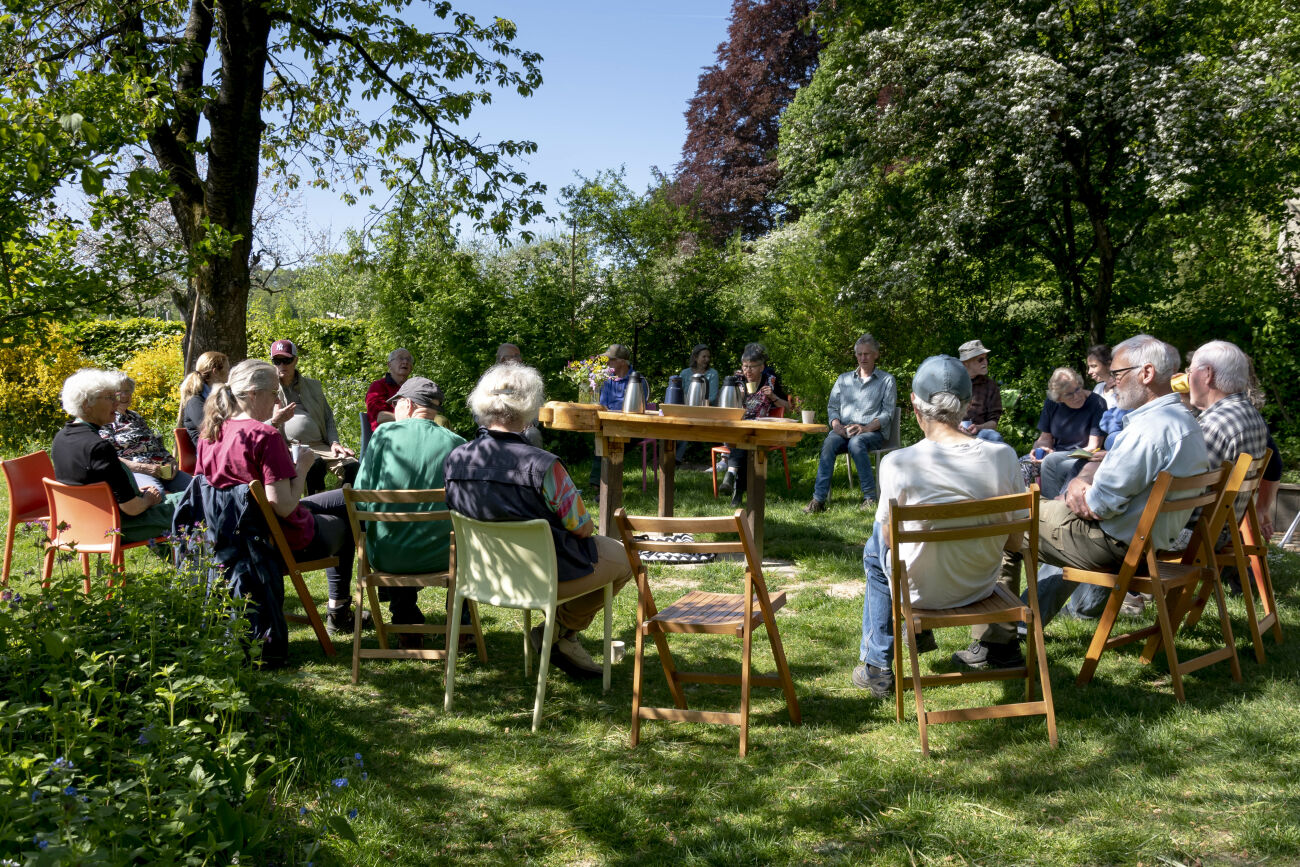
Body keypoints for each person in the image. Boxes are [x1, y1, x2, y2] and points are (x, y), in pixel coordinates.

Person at [445, 363, 634, 680]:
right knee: (625, 558)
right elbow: (583, 528)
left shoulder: (456, 459)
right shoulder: (544, 465)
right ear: (530, 406)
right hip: (542, 577)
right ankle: (561, 630)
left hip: (482, 576)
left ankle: (561, 635)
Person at [852, 356, 1026, 697]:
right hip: (979, 587)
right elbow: (1015, 542)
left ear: (915, 405)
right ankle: (913, 644)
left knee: (875, 547)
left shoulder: (897, 463)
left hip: (919, 594)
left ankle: (877, 667)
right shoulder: (1003, 456)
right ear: (966, 405)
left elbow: (889, 541)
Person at [1018, 335, 1211, 631]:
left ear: (1146, 373)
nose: (1112, 382)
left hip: (1113, 545)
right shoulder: (1184, 421)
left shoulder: (1148, 430)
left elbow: (1097, 506)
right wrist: (1082, 481)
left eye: (1118, 374)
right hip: (1148, 545)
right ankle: (1020, 627)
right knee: (1047, 518)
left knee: (1009, 517)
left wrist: (1076, 488)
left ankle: (1001, 638)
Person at [196, 359, 364, 634]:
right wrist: (302, 467)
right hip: (275, 537)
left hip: (232, 536)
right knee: (346, 521)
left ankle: (345, 607)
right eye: (274, 393)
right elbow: (283, 506)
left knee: (344, 498)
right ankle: (341, 609)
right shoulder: (264, 435)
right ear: (253, 393)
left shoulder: (210, 433)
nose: (277, 401)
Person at [353, 376, 467, 646]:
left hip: (387, 556)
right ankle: (462, 626)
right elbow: (465, 504)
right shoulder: (457, 443)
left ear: (408, 404)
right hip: (444, 556)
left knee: (395, 531)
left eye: (396, 405)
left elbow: (361, 497)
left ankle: (406, 622)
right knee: (462, 539)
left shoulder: (382, 436)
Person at [51, 368, 178, 543]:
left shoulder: (60, 438)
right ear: (87, 405)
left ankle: (181, 557)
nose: (116, 403)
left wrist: (136, 493)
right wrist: (148, 499)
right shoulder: (99, 447)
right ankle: (196, 558)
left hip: (80, 524)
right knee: (193, 500)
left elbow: (92, 486)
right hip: (116, 527)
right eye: (110, 397)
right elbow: (132, 508)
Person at [803, 334, 895, 513]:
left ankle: (870, 497)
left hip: (872, 433)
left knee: (856, 442)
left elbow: (887, 414)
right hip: (844, 430)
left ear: (876, 354)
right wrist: (836, 426)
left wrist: (865, 428)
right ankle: (818, 500)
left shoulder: (886, 380)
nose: (863, 358)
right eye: (859, 354)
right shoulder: (843, 379)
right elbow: (832, 407)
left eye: (867, 354)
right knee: (829, 442)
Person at [270, 339, 359, 494]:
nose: (282, 365)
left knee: (352, 466)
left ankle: (339, 503)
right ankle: (314, 506)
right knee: (315, 465)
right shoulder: (268, 390)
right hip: (291, 447)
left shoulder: (313, 386)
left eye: (287, 360)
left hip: (321, 445)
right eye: (277, 361)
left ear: (295, 360)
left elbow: (328, 417)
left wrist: (334, 442)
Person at [720, 343, 791, 507]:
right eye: (745, 366)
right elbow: (722, 406)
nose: (748, 371)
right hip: (736, 429)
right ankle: (737, 490)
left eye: (752, 367)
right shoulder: (737, 381)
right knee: (745, 442)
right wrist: (738, 397)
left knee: (747, 442)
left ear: (761, 367)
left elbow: (787, 407)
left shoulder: (770, 381)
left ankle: (731, 476)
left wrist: (773, 397)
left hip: (761, 431)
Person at [102, 374, 193, 495]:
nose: (124, 395)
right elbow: (109, 456)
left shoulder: (135, 416)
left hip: (162, 469)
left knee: (198, 488)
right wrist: (142, 467)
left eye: (128, 391)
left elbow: (156, 444)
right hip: (135, 471)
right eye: (119, 391)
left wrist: (171, 460)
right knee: (156, 494)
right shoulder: (106, 419)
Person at [1027, 367, 1106, 499]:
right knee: (1024, 464)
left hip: (1084, 455)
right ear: (1059, 399)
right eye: (1069, 394)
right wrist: (1041, 449)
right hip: (1056, 453)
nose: (1077, 396)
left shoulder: (1097, 403)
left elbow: (1093, 446)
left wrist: (1053, 456)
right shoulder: (1052, 403)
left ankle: (1051, 506)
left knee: (1051, 462)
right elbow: (1045, 438)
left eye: (1077, 389)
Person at [589, 343, 638, 491]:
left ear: (622, 361)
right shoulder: (606, 378)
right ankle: (602, 484)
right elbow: (601, 404)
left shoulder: (636, 379)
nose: (607, 363)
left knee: (609, 441)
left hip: (632, 426)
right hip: (609, 424)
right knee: (604, 437)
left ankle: (602, 485)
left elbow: (637, 408)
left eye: (610, 360)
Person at [675, 344, 719, 463]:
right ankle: (672, 456)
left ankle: (677, 458)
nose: (707, 359)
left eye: (708, 357)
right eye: (704, 357)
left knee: (687, 422)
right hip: (686, 410)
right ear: (695, 357)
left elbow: (712, 397)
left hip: (706, 411)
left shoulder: (712, 374)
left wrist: (695, 405)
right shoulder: (685, 373)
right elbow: (679, 393)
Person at [495, 342, 544, 448]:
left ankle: (535, 459)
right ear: (503, 359)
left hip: (523, 426)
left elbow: (536, 407)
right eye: (516, 356)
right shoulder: (489, 381)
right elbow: (478, 413)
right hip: (495, 426)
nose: (520, 360)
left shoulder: (527, 380)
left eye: (519, 356)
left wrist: (530, 422)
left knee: (533, 433)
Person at [956, 339, 1004, 443]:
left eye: (986, 358)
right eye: (980, 360)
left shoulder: (990, 386)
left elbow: (994, 422)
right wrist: (955, 426)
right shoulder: (953, 384)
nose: (985, 362)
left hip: (980, 433)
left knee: (995, 437)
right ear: (965, 363)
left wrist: (978, 427)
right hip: (953, 431)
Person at [178, 351, 229, 446]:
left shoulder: (222, 396)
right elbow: (210, 430)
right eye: (227, 369)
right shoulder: (195, 401)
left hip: (223, 446)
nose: (228, 373)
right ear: (215, 372)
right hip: (208, 450)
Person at [364, 348, 414, 430]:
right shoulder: (378, 387)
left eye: (408, 359)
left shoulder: (414, 388)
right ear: (389, 365)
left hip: (413, 430)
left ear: (411, 367)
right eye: (400, 358)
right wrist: (413, 419)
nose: (405, 362)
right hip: (388, 433)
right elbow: (381, 417)